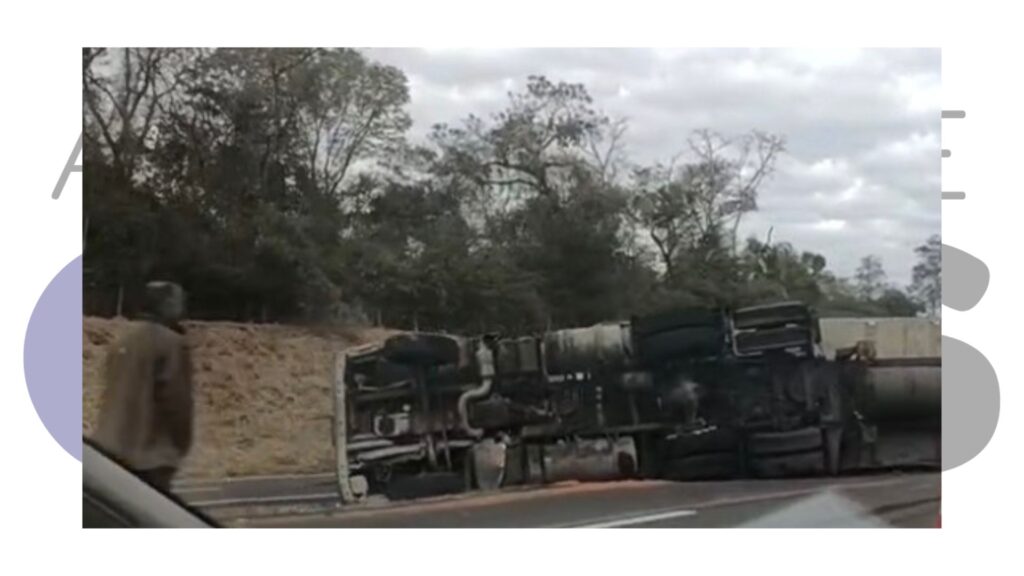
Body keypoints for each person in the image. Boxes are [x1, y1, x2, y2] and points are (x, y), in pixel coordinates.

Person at [93, 281, 194, 493]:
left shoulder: (123, 339)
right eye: (178, 301)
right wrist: (179, 444)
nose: (182, 308)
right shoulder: (172, 343)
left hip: (110, 448)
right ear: (165, 304)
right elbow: (178, 403)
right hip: (150, 455)